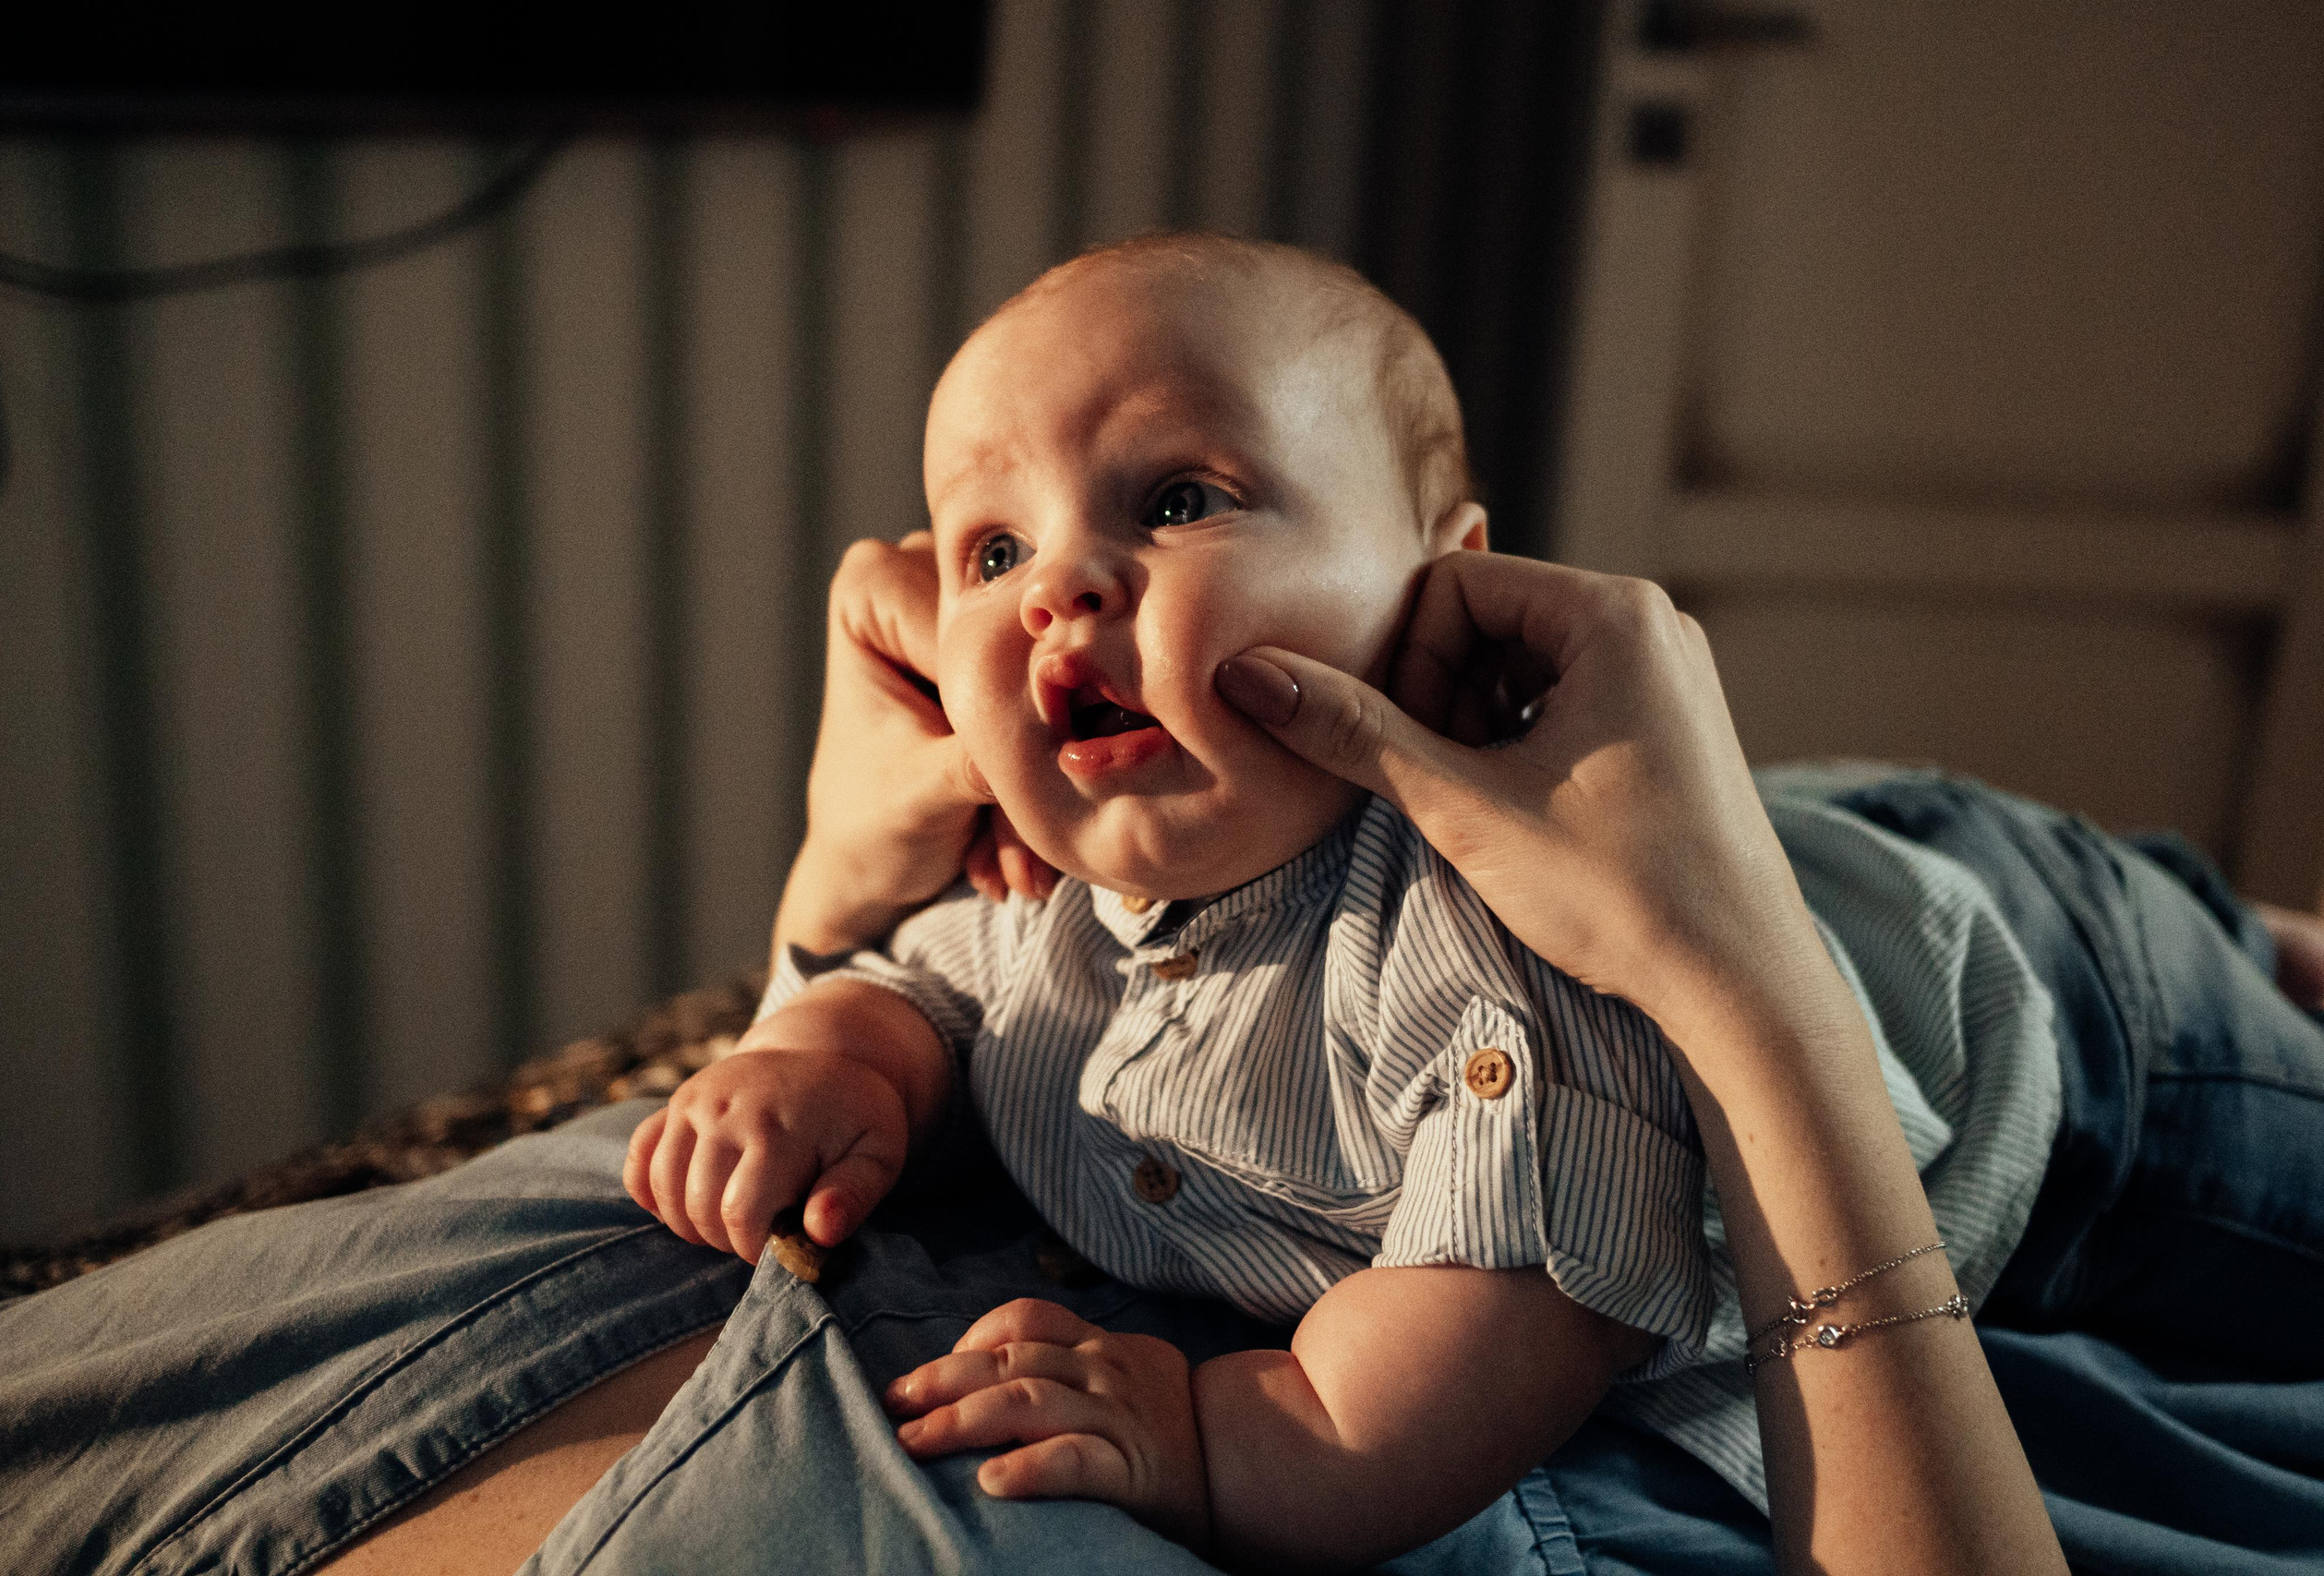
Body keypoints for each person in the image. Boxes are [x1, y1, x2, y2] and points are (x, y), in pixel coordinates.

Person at [616, 235, 2321, 1570]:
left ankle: (2247, 943)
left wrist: (1219, 1434)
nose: (1062, 583)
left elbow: (1466, 1354)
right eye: (989, 552)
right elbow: (931, 991)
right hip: (1831, 837)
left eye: (1178, 500)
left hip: (2086, 1036)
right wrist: (835, 1056)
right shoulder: (1045, 886)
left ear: (1445, 572)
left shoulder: (1488, 970)